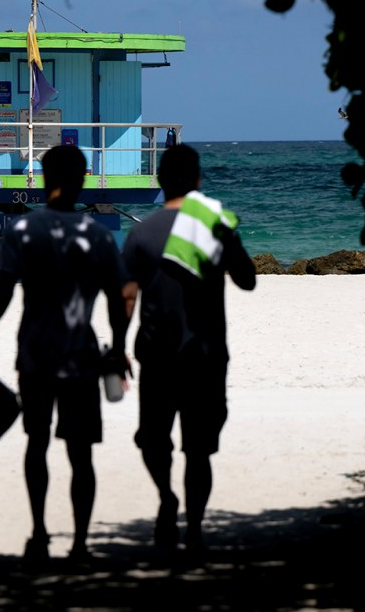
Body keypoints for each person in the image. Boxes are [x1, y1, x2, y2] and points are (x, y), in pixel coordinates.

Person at [0, 144, 132, 564]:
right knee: (81, 454)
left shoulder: (21, 231)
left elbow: (3, 294)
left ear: (41, 178)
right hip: (80, 355)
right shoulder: (98, 235)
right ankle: (79, 544)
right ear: (84, 180)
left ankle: (38, 535)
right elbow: (116, 299)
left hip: (34, 353)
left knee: (36, 444)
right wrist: (120, 349)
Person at [121, 143, 257, 558]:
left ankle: (168, 499)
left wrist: (116, 345)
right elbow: (248, 281)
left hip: (156, 355)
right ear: (198, 180)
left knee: (152, 442)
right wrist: (227, 239)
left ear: (160, 182)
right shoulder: (214, 223)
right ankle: (193, 527)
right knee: (199, 450)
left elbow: (127, 296)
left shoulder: (141, 232)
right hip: (206, 354)